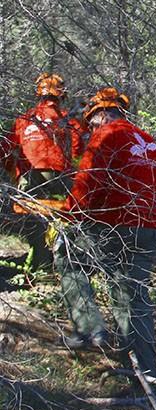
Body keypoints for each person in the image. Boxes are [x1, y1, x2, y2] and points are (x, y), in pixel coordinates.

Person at [54, 87, 156, 373]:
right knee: (134, 297)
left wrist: (68, 214)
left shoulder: (107, 135)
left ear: (102, 115)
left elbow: (88, 183)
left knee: (68, 254)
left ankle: (89, 328)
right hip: (149, 227)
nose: (91, 129)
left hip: (118, 225)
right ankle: (143, 370)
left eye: (92, 123)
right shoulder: (148, 140)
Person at [0, 73, 85, 269]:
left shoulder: (24, 120)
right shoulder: (69, 121)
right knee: (64, 217)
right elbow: (78, 151)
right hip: (61, 176)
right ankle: (63, 260)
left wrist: (14, 173)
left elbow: (5, 150)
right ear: (61, 95)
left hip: (30, 177)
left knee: (33, 217)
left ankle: (41, 262)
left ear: (38, 94)